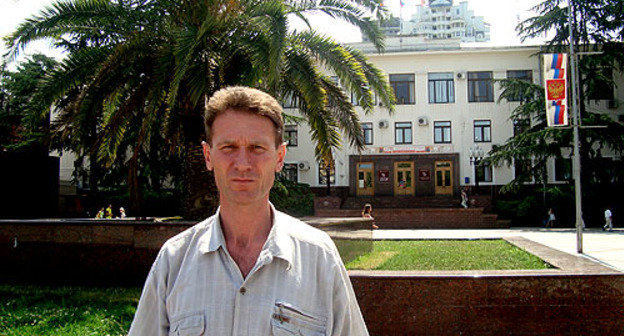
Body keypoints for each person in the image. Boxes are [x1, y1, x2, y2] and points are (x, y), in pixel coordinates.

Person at [129, 86, 368, 335]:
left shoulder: (319, 257)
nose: (242, 164)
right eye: (229, 147)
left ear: (279, 157)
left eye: (257, 148)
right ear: (208, 156)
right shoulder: (174, 261)